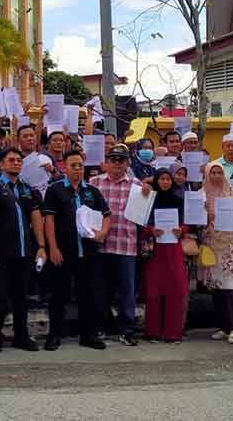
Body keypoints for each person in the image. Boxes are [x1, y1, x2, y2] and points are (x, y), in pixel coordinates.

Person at [0, 147, 45, 353]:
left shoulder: (29, 190)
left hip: (24, 252)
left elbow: (36, 219)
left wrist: (41, 246)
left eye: (19, 160)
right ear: (1, 164)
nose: (16, 163)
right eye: (11, 160)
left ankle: (21, 336)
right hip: (1, 253)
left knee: (21, 297)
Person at [43, 150, 110, 350]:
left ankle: (88, 335)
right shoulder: (55, 190)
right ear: (64, 167)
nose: (78, 169)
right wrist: (53, 247)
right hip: (63, 251)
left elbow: (106, 215)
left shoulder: (92, 191)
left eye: (80, 165)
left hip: (88, 253)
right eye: (73, 165)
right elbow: (49, 220)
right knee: (58, 295)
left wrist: (102, 233)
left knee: (88, 295)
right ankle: (54, 335)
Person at [88, 143, 141, 346]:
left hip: (126, 245)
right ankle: (101, 327)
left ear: (128, 163)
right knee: (100, 289)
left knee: (127, 289)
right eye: (113, 160)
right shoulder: (94, 183)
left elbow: (142, 217)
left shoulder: (137, 186)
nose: (117, 164)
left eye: (121, 160)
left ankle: (127, 330)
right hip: (100, 244)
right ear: (106, 163)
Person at [142, 168, 188, 344]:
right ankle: (153, 332)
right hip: (155, 250)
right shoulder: (149, 200)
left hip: (173, 249)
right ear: (156, 181)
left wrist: (181, 230)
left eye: (168, 179)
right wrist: (151, 230)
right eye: (162, 179)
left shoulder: (178, 200)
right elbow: (141, 223)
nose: (165, 182)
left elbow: (186, 223)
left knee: (175, 288)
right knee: (154, 289)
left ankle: (172, 333)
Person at [201, 163, 233, 344]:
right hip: (212, 245)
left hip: (229, 246)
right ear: (207, 174)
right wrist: (206, 215)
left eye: (220, 172)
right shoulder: (201, 194)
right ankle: (223, 327)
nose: (217, 176)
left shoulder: (231, 192)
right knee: (217, 288)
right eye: (213, 172)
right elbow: (194, 218)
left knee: (231, 287)